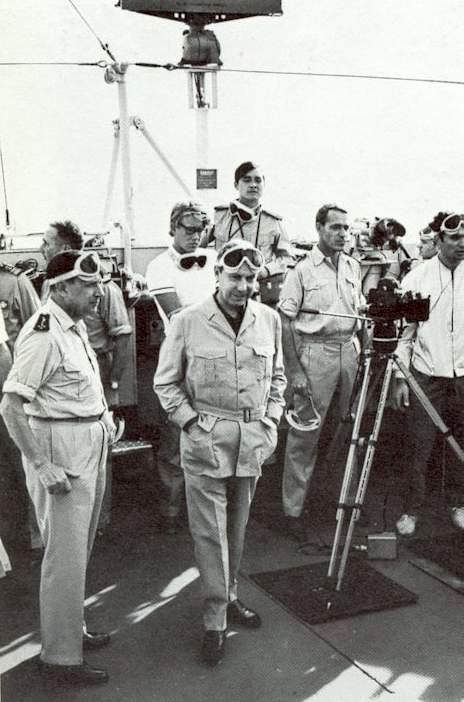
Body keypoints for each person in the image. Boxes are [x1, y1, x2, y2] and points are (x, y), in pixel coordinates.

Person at [154, 240, 286, 665]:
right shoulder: (188, 321)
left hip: (251, 439)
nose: (243, 286)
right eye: (234, 277)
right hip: (205, 439)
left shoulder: (268, 319)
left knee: (238, 528)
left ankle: (230, 596)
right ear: (217, 275)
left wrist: (271, 420)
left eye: (250, 278)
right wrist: (191, 423)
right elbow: (166, 383)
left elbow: (278, 377)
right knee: (210, 534)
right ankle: (215, 620)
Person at [0, 251, 115, 686]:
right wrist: (42, 464)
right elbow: (11, 406)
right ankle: (61, 660)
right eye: (87, 285)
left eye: (98, 283)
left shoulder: (74, 326)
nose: (98, 291)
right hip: (60, 448)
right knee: (64, 558)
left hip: (86, 441)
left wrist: (104, 421)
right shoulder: (44, 334)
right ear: (60, 287)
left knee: (78, 551)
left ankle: (71, 631)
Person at [39, 220, 132, 528]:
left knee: (101, 444)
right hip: (61, 372)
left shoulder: (105, 289)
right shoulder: (52, 284)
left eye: (48, 242)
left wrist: (114, 383)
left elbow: (122, 336)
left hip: (95, 368)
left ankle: (99, 521)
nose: (42, 248)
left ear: (65, 247)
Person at [279, 204, 363, 541]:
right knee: (305, 434)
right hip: (315, 353)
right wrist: (295, 371)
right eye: (335, 227)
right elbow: (285, 321)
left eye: (346, 228)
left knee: (348, 431)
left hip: (349, 352)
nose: (343, 234)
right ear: (319, 227)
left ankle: (341, 505)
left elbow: (358, 312)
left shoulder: (353, 266)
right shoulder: (301, 271)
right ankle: (292, 511)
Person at [145, 201, 217, 533]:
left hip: (216, 355)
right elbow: (178, 316)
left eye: (201, 230)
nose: (195, 235)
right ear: (173, 228)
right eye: (189, 229)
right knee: (177, 433)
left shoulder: (215, 260)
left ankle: (206, 509)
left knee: (214, 430)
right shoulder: (159, 266)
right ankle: (172, 510)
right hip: (181, 356)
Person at [392, 211, 464, 536]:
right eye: (455, 238)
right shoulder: (418, 279)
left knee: (460, 442)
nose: (461, 243)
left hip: (462, 377)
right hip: (426, 376)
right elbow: (405, 334)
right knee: (418, 446)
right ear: (439, 240)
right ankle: (411, 509)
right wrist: (401, 378)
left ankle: (458, 503)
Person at [0, 259, 41, 553]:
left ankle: (37, 536)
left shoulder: (16, 282)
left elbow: (37, 334)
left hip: (12, 388)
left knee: (22, 462)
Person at [204, 161, 293, 288]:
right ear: (236, 185)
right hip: (224, 286)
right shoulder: (219, 216)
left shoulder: (273, 222)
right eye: (246, 180)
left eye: (258, 180)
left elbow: (287, 259)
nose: (253, 185)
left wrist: (265, 271)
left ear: (264, 185)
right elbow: (196, 245)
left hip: (259, 287)